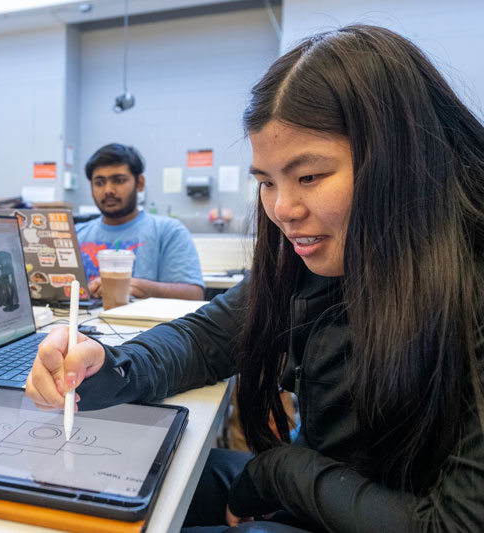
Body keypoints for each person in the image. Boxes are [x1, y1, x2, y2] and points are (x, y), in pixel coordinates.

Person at [27, 25, 484, 531]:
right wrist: (110, 367)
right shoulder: (312, 264)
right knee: (108, 483)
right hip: (323, 485)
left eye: (309, 176)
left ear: (402, 160)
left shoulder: (470, 285)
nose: (282, 209)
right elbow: (204, 339)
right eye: (266, 182)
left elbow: (455, 524)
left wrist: (277, 474)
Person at [76, 143, 205, 301]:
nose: (108, 190)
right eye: (99, 183)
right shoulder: (76, 235)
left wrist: (137, 287)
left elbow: (194, 295)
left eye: (119, 180)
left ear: (140, 183)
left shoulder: (168, 231)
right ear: (91, 188)